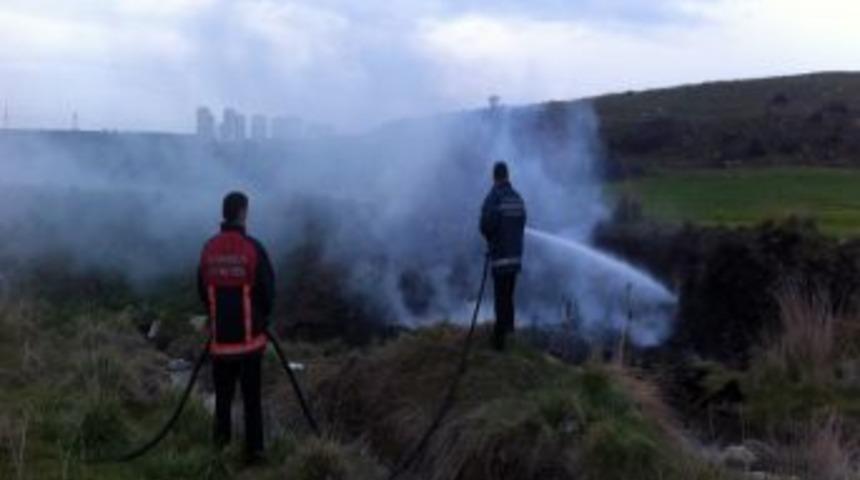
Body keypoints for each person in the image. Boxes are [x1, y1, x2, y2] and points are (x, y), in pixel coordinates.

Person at [198, 191, 275, 463]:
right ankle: (254, 454)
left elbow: (202, 289)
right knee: (251, 401)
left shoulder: (209, 248)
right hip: (250, 343)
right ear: (242, 212)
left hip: (220, 343)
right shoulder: (254, 248)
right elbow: (268, 291)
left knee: (223, 401)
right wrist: (261, 320)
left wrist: (216, 316)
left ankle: (219, 453)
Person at [480, 161, 526, 351]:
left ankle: (499, 344)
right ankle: (510, 333)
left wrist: (492, 238)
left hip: (500, 258)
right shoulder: (517, 198)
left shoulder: (494, 197)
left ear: (494, 176)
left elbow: (486, 225)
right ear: (508, 175)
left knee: (501, 299)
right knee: (509, 297)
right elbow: (522, 223)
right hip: (515, 258)